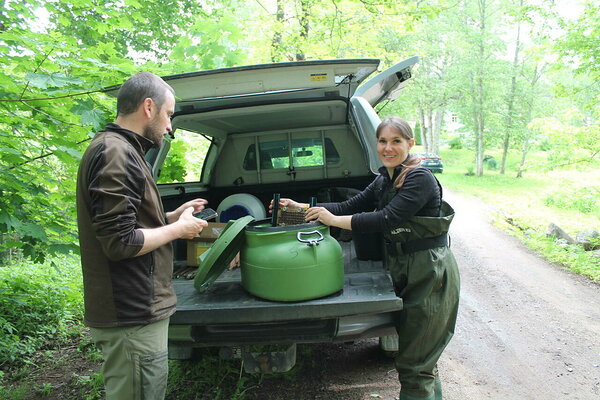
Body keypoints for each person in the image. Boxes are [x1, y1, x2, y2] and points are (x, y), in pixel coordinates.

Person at [275, 116, 460, 400]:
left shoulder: (419, 178)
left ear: (410, 143)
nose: (388, 148)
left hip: (429, 269)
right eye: (383, 141)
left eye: (396, 141)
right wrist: (301, 207)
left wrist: (334, 220)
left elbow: (387, 218)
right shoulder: (385, 178)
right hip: (405, 266)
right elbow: (349, 205)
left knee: (415, 364)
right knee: (420, 359)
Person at [76, 72, 208, 400]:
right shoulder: (115, 154)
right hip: (131, 314)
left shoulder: (121, 149)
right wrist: (179, 230)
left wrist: (169, 217)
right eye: (169, 114)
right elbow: (120, 242)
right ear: (149, 107)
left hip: (136, 311)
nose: (170, 127)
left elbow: (126, 224)